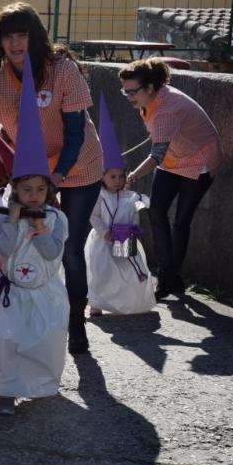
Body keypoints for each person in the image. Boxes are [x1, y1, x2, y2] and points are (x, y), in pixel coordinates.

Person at [0, 1, 103, 355]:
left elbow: (76, 133)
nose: (15, 44)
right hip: (33, 175)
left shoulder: (62, 70)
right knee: (26, 239)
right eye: (8, 36)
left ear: (35, 38)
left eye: (22, 36)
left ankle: (76, 322)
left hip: (80, 168)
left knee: (70, 247)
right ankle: (24, 314)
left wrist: (58, 176)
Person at [0, 54, 69, 416]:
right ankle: (5, 391)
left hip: (42, 292)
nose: (33, 197)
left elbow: (52, 253)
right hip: (11, 290)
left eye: (39, 191)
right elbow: (4, 252)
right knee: (6, 342)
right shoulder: (4, 219)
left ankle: (37, 383)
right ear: (15, 191)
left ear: (48, 193)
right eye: (25, 191)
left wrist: (41, 230)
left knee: (40, 340)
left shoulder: (56, 219)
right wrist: (12, 222)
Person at [119, 59, 224, 300]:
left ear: (149, 88)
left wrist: (133, 176)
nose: (129, 97)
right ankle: (169, 276)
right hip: (174, 159)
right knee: (156, 211)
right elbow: (160, 145)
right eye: (125, 91)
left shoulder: (167, 110)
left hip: (199, 162)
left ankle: (169, 277)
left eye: (133, 91)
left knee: (181, 221)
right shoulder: (149, 99)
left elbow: (156, 154)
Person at [84, 94, 155, 316]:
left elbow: (135, 215)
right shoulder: (99, 195)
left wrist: (133, 228)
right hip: (103, 242)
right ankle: (96, 302)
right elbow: (93, 216)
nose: (118, 180)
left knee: (127, 268)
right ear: (103, 177)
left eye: (121, 176)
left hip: (126, 238)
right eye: (112, 176)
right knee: (101, 271)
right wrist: (104, 231)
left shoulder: (131, 196)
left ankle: (129, 300)